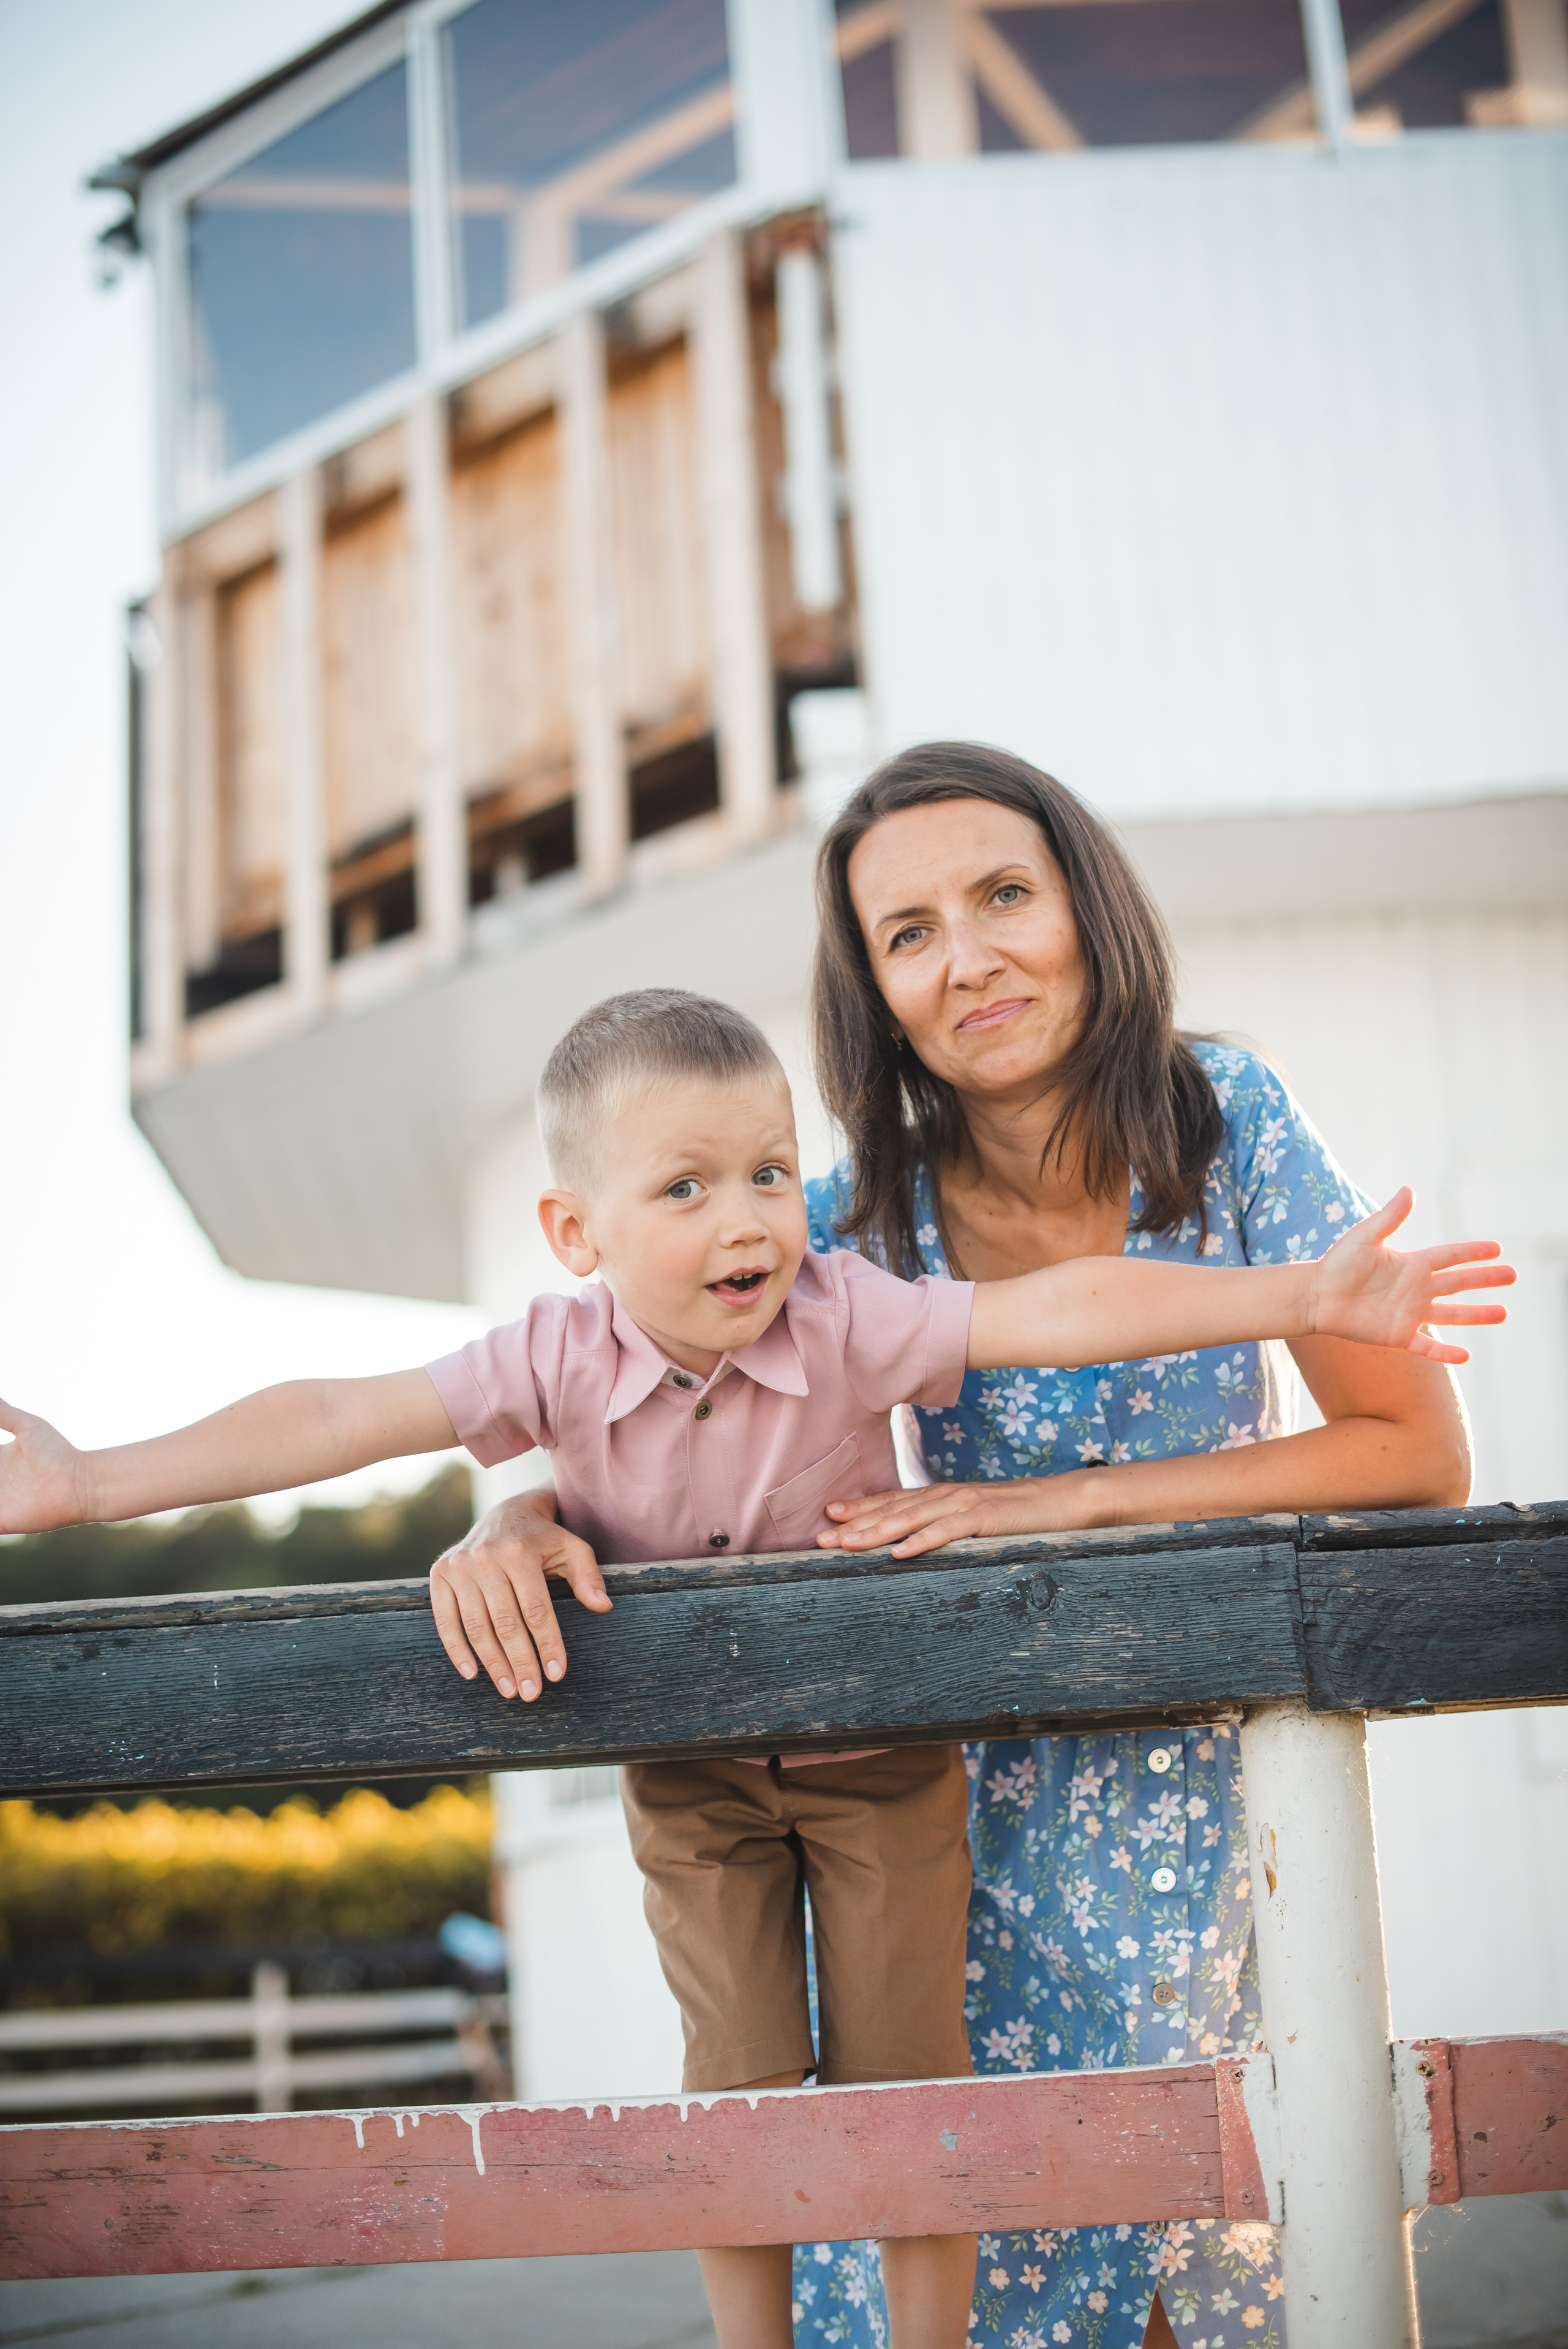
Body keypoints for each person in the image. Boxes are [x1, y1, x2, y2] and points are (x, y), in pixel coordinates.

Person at [0, 990, 1509, 2347]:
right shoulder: (551, 1356)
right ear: (576, 1234)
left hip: (882, 1770)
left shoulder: (843, 1315)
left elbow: (1058, 1308)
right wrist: (90, 1483)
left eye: (771, 1173)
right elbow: (336, 1416)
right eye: (685, 1187)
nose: (747, 1220)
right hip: (696, 1782)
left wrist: (1295, 1297)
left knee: (911, 2086)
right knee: (732, 2089)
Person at [785, 741, 1491, 2349]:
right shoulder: (846, 1223)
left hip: (1219, 1793)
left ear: (1086, 907)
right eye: (908, 933)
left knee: (1228, 2236)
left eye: (1003, 895)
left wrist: (1068, 1503)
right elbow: (623, 1394)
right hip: (952, 1823)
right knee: (977, 2260)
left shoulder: (1224, 1117)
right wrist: (517, 1515)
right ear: (872, 991)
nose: (968, 959)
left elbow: (1416, 1454)